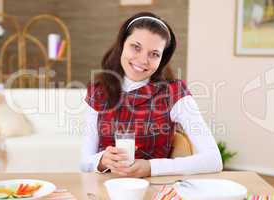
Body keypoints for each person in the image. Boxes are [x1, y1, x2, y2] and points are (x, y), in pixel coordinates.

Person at [81, 12, 223, 177]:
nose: (143, 60)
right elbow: (84, 163)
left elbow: (214, 160)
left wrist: (151, 167)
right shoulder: (98, 91)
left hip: (154, 190)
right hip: (104, 190)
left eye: (154, 54)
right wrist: (101, 160)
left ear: (162, 59)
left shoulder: (174, 93)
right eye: (136, 47)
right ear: (122, 45)